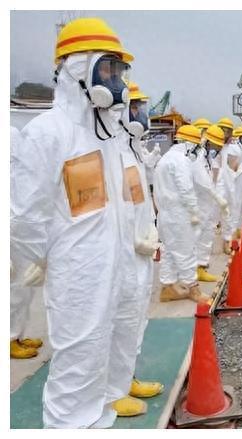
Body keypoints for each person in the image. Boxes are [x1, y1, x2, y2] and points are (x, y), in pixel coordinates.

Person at [11, 17, 138, 428]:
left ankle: (96, 415)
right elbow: (25, 213)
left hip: (111, 261)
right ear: (77, 69)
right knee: (78, 353)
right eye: (107, 69)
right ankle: (67, 427)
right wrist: (37, 261)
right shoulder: (48, 133)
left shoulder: (106, 136)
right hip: (76, 268)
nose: (115, 81)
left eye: (119, 71)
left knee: (101, 345)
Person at [116, 80, 164, 412]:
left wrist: (148, 232)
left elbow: (138, 198)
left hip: (140, 253)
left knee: (134, 318)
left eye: (142, 106)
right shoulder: (113, 148)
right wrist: (132, 238)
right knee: (118, 320)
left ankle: (124, 378)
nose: (141, 113)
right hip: (123, 253)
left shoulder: (131, 148)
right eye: (136, 107)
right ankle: (111, 390)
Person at [153, 124, 208, 303]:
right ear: (189, 145)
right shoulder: (181, 161)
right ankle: (193, 289)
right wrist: (194, 211)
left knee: (169, 250)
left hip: (165, 214)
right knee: (186, 249)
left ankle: (168, 287)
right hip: (178, 213)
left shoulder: (165, 159)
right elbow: (186, 188)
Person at [10, 126, 43, 359]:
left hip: (20, 230)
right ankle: (9, 338)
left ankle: (17, 334)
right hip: (11, 231)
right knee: (14, 290)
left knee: (24, 288)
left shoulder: (13, 133)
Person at [191, 121, 229, 280]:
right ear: (207, 142)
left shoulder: (208, 159)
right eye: (215, 146)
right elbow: (204, 182)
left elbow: (213, 178)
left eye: (219, 147)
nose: (217, 150)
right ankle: (191, 271)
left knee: (207, 234)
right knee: (196, 236)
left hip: (207, 204)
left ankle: (201, 268)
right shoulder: (198, 158)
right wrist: (218, 197)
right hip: (198, 204)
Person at [217, 143, 242, 254]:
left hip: (238, 207)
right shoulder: (225, 171)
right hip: (229, 205)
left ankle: (233, 243)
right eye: (228, 159)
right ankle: (227, 244)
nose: (230, 161)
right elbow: (220, 187)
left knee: (236, 224)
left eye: (232, 159)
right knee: (228, 222)